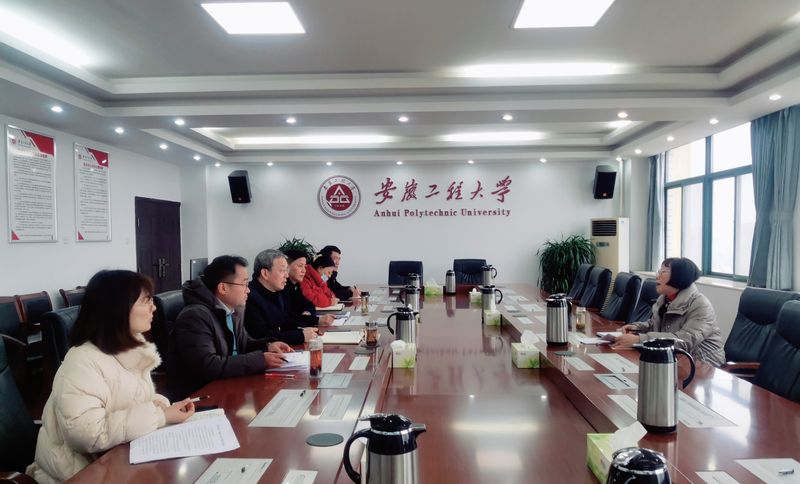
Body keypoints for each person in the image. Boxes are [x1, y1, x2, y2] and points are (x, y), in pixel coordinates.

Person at [27, 270, 195, 484]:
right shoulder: (82, 361)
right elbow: (87, 434)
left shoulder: (127, 348)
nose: (153, 307)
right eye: (146, 301)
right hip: (77, 473)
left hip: (115, 459)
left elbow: (127, 398)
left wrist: (159, 405)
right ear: (118, 309)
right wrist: (159, 416)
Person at [168, 255, 292, 400]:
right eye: (244, 284)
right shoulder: (195, 317)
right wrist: (260, 360)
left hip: (228, 385)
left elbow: (242, 343)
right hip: (200, 397)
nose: (248, 290)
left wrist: (268, 345)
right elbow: (208, 365)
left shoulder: (232, 309)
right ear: (223, 288)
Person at [612, 257, 726, 367]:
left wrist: (639, 339)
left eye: (663, 272)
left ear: (679, 276)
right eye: (659, 271)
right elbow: (654, 325)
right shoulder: (664, 299)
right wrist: (636, 328)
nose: (657, 276)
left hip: (703, 365)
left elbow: (684, 341)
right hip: (674, 358)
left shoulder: (700, 305)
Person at [244, 249, 319, 345]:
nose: (286, 275)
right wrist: (300, 335)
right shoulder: (249, 297)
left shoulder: (276, 291)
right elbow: (261, 336)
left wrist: (307, 328)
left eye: (287, 271)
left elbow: (285, 320)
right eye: (282, 271)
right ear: (265, 273)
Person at [283, 249, 335, 326]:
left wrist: (307, 313)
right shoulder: (282, 288)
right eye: (300, 266)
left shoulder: (296, 285)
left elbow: (309, 305)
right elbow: (287, 317)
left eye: (304, 266)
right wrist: (316, 320)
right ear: (287, 267)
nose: (304, 270)